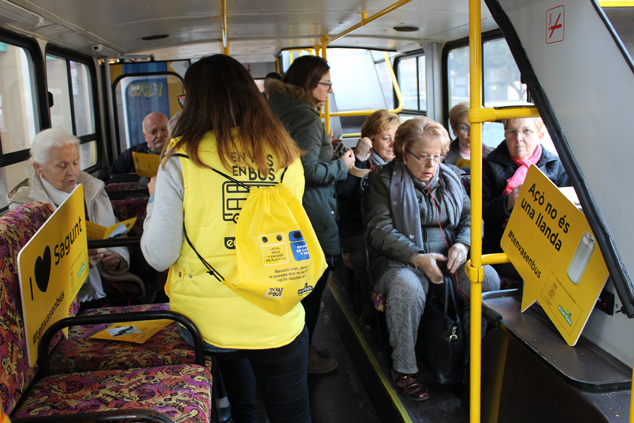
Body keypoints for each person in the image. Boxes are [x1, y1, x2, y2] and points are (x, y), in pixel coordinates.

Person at [141, 54, 311, 423]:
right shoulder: (286, 153)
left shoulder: (181, 158)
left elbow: (159, 255)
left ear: (194, 101)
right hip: (276, 310)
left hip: (207, 324)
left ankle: (240, 411)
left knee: (239, 403)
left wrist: (154, 198)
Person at [362, 117, 500, 401]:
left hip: (449, 255)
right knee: (407, 287)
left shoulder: (451, 177)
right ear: (404, 153)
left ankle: (470, 360)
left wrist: (463, 244)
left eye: (437, 156)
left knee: (487, 279)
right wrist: (417, 257)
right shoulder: (381, 179)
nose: (431, 165)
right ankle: (404, 369)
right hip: (400, 259)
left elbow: (471, 218)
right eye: (423, 157)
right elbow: (380, 231)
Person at [267, 55, 355, 374]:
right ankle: (303, 356)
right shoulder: (305, 116)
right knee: (312, 290)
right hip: (311, 211)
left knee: (296, 288)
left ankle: (300, 349)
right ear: (309, 83)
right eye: (325, 84)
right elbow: (308, 171)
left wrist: (324, 145)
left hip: (285, 209)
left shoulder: (276, 106)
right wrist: (341, 165)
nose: (329, 90)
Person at [7, 128, 132, 303]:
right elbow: (32, 276)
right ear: (38, 168)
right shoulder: (24, 209)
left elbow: (115, 229)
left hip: (108, 284)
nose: (72, 172)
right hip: (64, 300)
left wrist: (117, 257)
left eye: (75, 162)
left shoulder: (92, 188)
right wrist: (78, 262)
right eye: (62, 165)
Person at [336, 109, 402, 329]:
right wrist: (361, 158)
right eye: (386, 138)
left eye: (396, 138)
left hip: (391, 226)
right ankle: (369, 308)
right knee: (367, 256)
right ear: (370, 139)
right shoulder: (357, 159)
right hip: (359, 228)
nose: (392, 145)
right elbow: (344, 192)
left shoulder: (403, 162)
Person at [482, 117, 570, 255]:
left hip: (547, 244)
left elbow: (568, 213)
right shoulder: (488, 165)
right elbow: (479, 216)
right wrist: (507, 202)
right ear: (505, 135)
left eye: (527, 131)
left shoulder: (556, 165)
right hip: (502, 245)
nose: (519, 138)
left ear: (540, 136)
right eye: (512, 132)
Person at [108, 112, 169, 177]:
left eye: (163, 129)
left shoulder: (177, 151)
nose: (159, 135)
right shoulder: (130, 156)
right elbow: (110, 179)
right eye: (153, 132)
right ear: (145, 135)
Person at [444, 102, 494, 167]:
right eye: (464, 127)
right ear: (455, 130)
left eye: (476, 127)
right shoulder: (443, 156)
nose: (471, 133)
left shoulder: (493, 156)